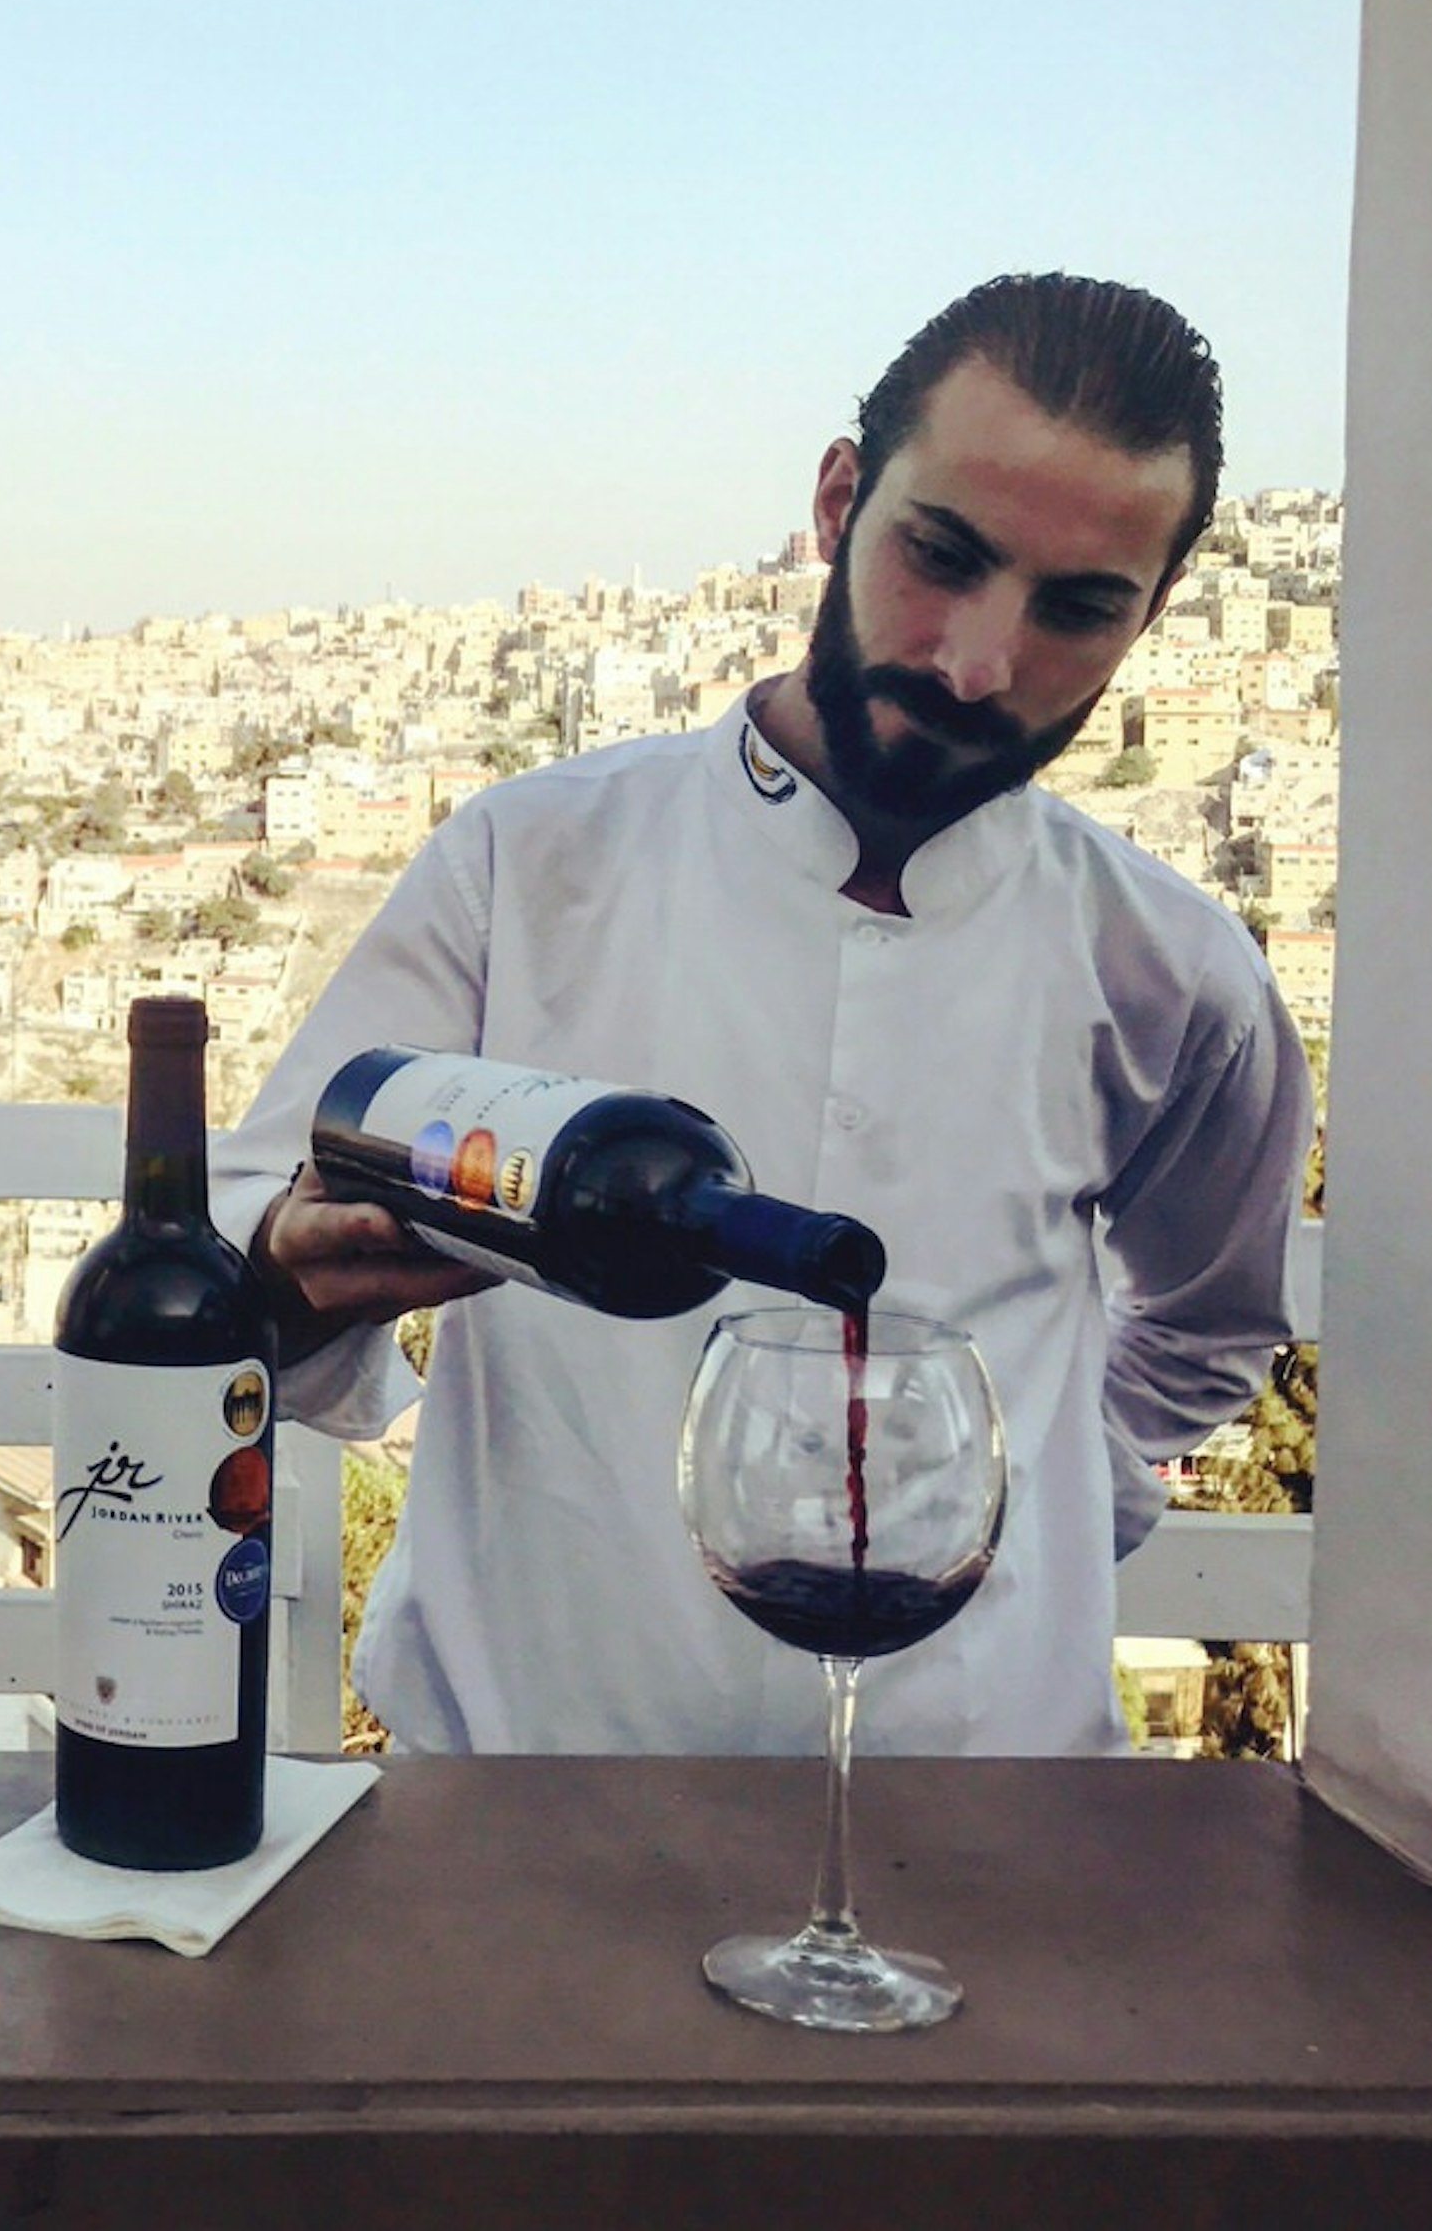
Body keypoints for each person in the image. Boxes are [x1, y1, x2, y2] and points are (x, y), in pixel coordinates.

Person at [210, 273, 1311, 1756]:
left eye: (1078, 608)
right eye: (942, 555)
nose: (981, 661)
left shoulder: (1171, 971)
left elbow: (1207, 1323)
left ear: (1155, 610)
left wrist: (1035, 1506)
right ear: (839, 498)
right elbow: (247, 1225)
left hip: (996, 1847)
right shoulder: (527, 864)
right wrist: (292, 1269)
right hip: (525, 1824)